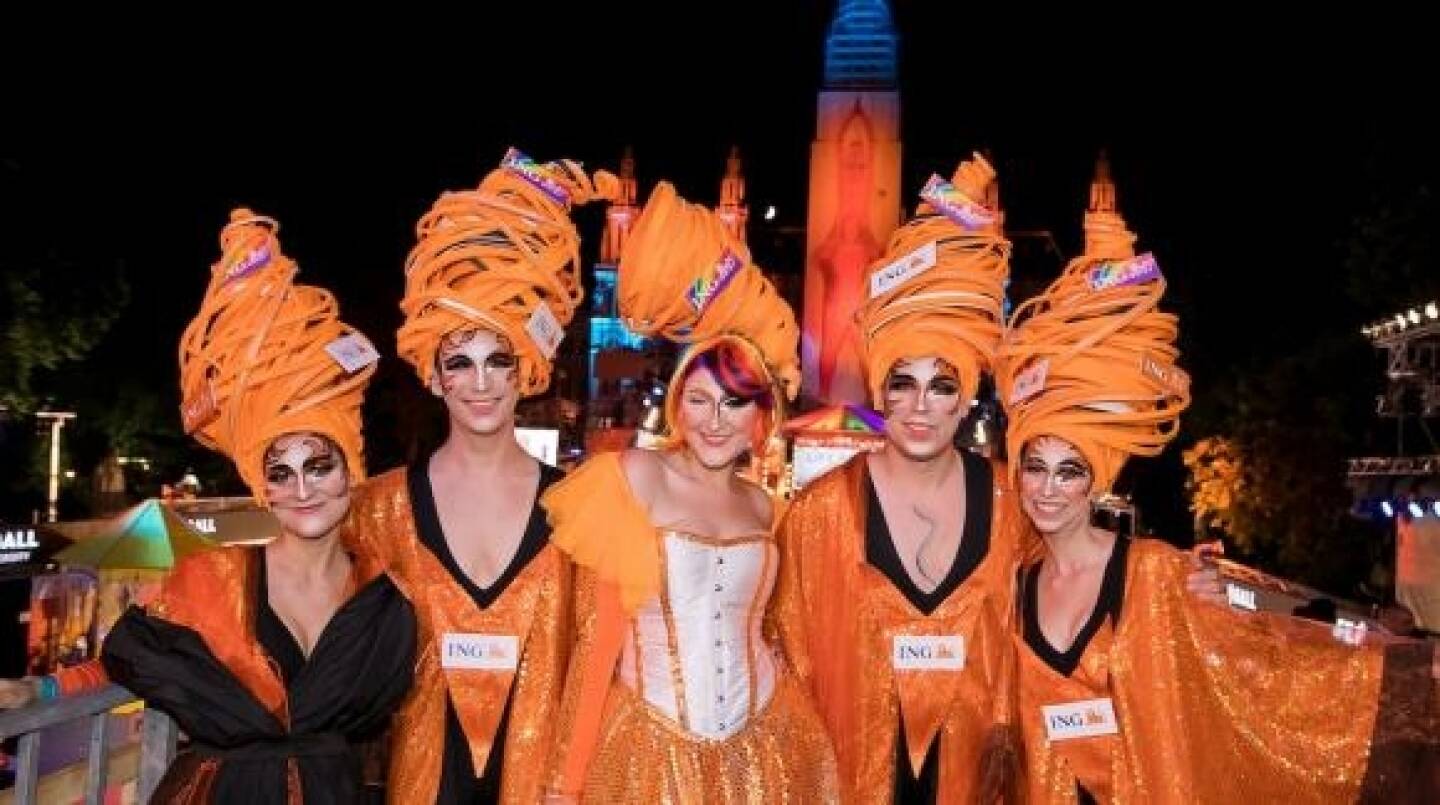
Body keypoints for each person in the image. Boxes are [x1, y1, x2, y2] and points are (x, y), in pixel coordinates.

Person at [995, 194, 1440, 803]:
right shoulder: (1017, 585)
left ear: (1096, 479)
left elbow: (1256, 665)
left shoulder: (1152, 572)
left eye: (1068, 471)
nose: (1047, 488)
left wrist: (1398, 673)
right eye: (1035, 468)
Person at [0, 209, 417, 803]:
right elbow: (129, 661)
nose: (302, 488)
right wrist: (39, 695)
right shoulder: (210, 576)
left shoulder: (383, 596)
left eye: (320, 465)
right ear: (263, 486)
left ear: (352, 470)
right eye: (280, 471)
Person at [541, 180, 839, 802]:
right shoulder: (631, 479)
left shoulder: (766, 506)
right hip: (646, 757)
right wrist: (565, 787)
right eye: (699, 400)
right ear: (678, 402)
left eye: (734, 404)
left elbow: (781, 640)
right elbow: (596, 647)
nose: (714, 420)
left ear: (761, 417)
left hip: (764, 753)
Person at [343, 149, 615, 804]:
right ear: (434, 376)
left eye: (499, 359)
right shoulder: (380, 508)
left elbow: (600, 663)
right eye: (460, 362)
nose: (482, 382)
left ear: (525, 368)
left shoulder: (580, 506)